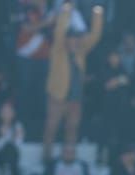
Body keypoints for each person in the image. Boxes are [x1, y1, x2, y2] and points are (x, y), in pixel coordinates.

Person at [42, 2, 103, 161]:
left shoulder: (80, 52)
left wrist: (97, 15)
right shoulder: (58, 51)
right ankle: (46, 159)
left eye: (76, 38)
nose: (74, 41)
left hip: (75, 99)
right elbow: (59, 32)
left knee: (72, 129)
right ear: (67, 39)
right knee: (51, 128)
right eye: (71, 38)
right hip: (57, 97)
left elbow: (94, 37)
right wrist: (66, 13)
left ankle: (68, 159)